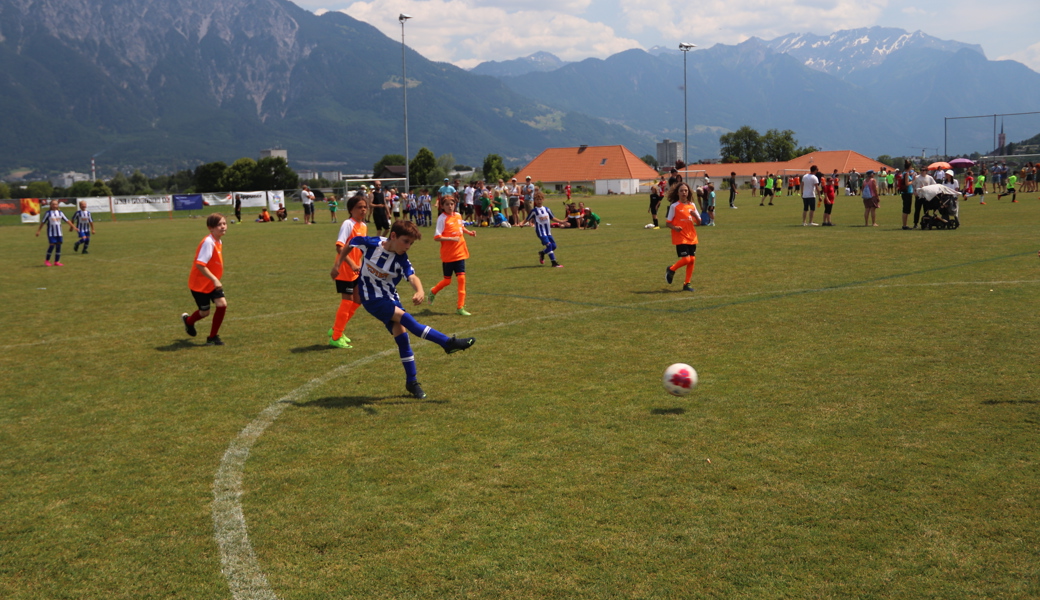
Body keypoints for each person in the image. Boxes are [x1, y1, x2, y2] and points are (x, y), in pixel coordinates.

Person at [347, 220, 476, 399]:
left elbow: (412, 276)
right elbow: (350, 243)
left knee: (403, 339)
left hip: (390, 298)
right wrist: (343, 263)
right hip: (371, 299)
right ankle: (447, 343)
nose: (408, 246)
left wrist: (420, 290)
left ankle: (411, 382)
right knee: (408, 320)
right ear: (393, 236)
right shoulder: (371, 243)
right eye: (405, 241)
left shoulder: (401, 259)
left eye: (411, 243)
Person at [327, 195, 369, 348]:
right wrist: (350, 264)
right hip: (345, 269)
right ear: (351, 209)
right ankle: (336, 337)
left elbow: (360, 249)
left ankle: (337, 329)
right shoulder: (348, 224)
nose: (363, 209)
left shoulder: (363, 226)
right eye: (359, 207)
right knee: (347, 301)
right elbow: (340, 247)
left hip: (356, 270)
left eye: (365, 207)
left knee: (358, 300)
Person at [181, 213, 229, 345]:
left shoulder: (218, 240)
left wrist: (214, 280)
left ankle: (212, 337)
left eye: (224, 223)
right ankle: (189, 321)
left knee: (222, 305)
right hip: (199, 284)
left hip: (212, 283)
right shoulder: (208, 242)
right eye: (219, 225)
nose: (223, 227)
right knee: (204, 312)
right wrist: (214, 279)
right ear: (210, 228)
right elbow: (200, 265)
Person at [429, 196, 476, 316]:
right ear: (442, 206)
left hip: (460, 252)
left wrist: (469, 233)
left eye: (452, 204)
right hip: (448, 255)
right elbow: (436, 237)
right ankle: (433, 291)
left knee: (461, 279)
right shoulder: (442, 218)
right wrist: (451, 238)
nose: (450, 206)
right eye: (447, 204)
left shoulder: (458, 215)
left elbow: (460, 227)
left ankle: (460, 307)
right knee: (447, 281)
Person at [664, 182, 701, 292]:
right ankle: (671, 269)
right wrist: (675, 227)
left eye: (685, 190)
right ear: (678, 193)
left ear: (688, 192)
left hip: (692, 236)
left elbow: (699, 223)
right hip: (681, 237)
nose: (684, 192)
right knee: (686, 259)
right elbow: (668, 223)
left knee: (692, 260)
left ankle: (687, 284)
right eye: (681, 191)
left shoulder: (692, 205)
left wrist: (695, 215)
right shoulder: (674, 206)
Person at [523, 190, 566, 267]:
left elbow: (552, 218)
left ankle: (542, 253)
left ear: (543, 200)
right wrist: (521, 223)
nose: (539, 201)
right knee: (549, 245)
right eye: (537, 199)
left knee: (554, 246)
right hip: (540, 231)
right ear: (535, 200)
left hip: (548, 231)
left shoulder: (547, 209)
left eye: (540, 199)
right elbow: (527, 219)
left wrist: (561, 221)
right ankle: (554, 263)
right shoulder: (534, 211)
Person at [35, 199, 72, 266]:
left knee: (58, 246)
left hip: (59, 232)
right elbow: (43, 222)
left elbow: (67, 220)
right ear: (51, 205)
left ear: (58, 205)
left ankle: (56, 261)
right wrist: (38, 231)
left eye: (56, 204)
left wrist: (73, 227)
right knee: (52, 245)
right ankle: (47, 260)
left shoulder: (60, 213)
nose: (55, 205)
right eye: (53, 204)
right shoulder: (48, 213)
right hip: (51, 232)